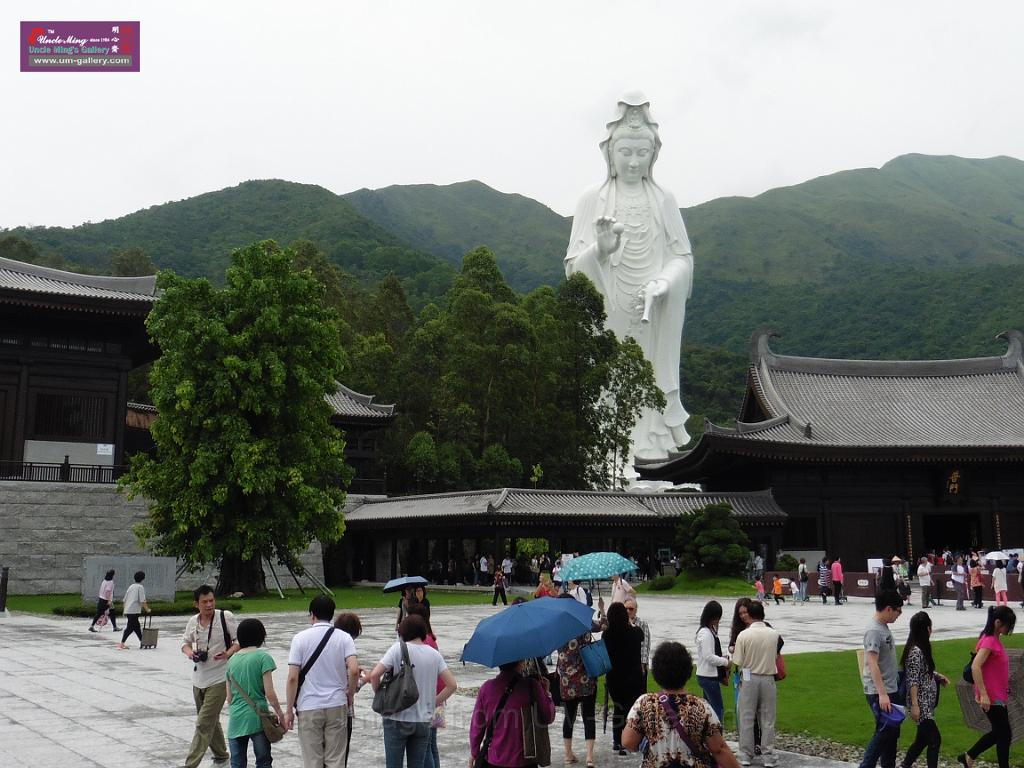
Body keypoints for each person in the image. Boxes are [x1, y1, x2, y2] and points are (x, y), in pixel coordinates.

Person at [564, 93, 694, 462]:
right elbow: (574, 267)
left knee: (648, 379)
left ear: (654, 154)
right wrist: (600, 251)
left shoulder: (663, 199)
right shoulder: (593, 198)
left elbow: (681, 256)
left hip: (653, 310)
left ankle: (651, 450)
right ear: (610, 153)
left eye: (643, 153)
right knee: (608, 380)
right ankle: (607, 453)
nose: (634, 161)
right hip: (609, 309)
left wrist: (666, 282)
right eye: (626, 152)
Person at [622, 641, 741, 768]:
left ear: (656, 672)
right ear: (688, 672)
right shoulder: (701, 706)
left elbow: (628, 742)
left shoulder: (644, 703)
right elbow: (719, 749)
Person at [368, 615, 457, 768]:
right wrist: (432, 701)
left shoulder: (397, 649)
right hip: (423, 720)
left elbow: (375, 674)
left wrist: (380, 693)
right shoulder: (434, 654)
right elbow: (452, 685)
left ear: (403, 632)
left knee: (394, 764)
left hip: (397, 717)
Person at [284, 594, 358, 768]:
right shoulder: (344, 638)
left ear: (312, 614)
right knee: (335, 760)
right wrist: (350, 694)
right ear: (332, 614)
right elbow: (354, 670)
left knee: (313, 761)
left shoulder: (299, 639)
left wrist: (288, 710)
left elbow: (293, 677)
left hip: (309, 705)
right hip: (336, 703)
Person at [179, 585, 239, 768]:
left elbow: (238, 641)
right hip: (199, 678)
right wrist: (190, 653)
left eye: (211, 600)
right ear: (196, 604)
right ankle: (221, 755)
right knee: (210, 720)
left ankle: (190, 764)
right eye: (204, 602)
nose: (209, 605)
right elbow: (184, 643)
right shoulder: (193, 621)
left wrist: (228, 653)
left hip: (220, 678)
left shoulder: (225, 617)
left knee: (203, 723)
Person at [469, 658, 556, 768]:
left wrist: (475, 753)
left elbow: (477, 727)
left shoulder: (486, 688)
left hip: (494, 758)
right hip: (524, 759)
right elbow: (548, 716)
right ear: (520, 663)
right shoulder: (531, 686)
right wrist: (547, 693)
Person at [959, 606, 1017, 768]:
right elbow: (975, 666)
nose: (1009, 629)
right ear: (998, 622)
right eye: (1008, 625)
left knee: (1001, 733)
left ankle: (969, 756)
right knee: (1004, 734)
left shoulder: (992, 639)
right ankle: (969, 756)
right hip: (991, 697)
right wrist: (983, 694)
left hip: (998, 694)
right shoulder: (989, 641)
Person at [225, 618, 284, 768]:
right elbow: (270, 693)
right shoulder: (263, 657)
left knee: (237, 763)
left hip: (236, 720)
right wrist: (280, 713)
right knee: (263, 761)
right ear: (261, 636)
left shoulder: (231, 661)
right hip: (258, 719)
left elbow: (229, 698)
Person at [858, 589, 905, 768]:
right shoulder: (874, 631)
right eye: (898, 611)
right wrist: (882, 694)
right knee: (884, 733)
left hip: (890, 687)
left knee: (892, 735)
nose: (898, 615)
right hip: (881, 691)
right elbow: (872, 662)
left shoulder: (883, 628)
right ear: (888, 609)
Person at [730, 601, 780, 767]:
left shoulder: (744, 635)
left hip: (749, 676)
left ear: (749, 615)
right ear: (763, 615)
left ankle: (745, 754)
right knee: (767, 718)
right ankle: (768, 755)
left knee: (746, 716)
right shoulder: (774, 633)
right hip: (768, 676)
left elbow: (738, 660)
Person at [557, 593, 600, 767]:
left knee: (569, 717)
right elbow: (602, 626)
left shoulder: (556, 627)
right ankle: (589, 756)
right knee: (589, 716)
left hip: (567, 681)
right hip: (586, 678)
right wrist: (602, 611)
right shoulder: (582, 623)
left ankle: (568, 754)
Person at [900, 612, 948, 768]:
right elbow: (912, 680)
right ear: (927, 629)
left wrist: (938, 677)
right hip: (921, 705)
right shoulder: (915, 652)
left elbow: (923, 671)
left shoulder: (921, 649)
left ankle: (905, 765)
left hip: (927, 703)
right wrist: (915, 706)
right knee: (935, 739)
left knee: (921, 741)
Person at [602, 602, 647, 756]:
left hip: (615, 676)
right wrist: (630, 622)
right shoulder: (635, 633)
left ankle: (617, 740)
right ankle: (632, 739)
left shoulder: (606, 635)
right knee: (632, 710)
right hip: (633, 676)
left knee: (618, 708)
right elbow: (640, 634)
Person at [406, 604, 444, 768]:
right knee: (431, 745)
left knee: (426, 748)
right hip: (438, 697)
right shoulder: (431, 638)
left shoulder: (424, 641)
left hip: (430, 698)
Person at [333, 612, 363, 768]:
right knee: (340, 755)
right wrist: (364, 678)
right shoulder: (347, 645)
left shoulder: (329, 644)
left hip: (319, 707)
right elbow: (352, 676)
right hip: (343, 709)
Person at [695, 600, 730, 724]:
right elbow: (708, 656)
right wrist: (725, 662)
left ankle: (708, 736)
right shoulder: (706, 633)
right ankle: (717, 734)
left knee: (708, 708)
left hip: (705, 675)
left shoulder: (708, 631)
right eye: (717, 617)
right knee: (717, 708)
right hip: (708, 676)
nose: (718, 621)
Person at [117, 570, 150, 649]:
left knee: (136, 627)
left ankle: (142, 642)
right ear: (142, 579)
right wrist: (147, 609)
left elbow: (125, 600)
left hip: (129, 610)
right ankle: (121, 644)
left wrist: (124, 610)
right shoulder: (140, 587)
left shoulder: (131, 586)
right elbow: (142, 601)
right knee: (130, 628)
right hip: (134, 611)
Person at [624, 597, 652, 680]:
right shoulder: (619, 625)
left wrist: (643, 664)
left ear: (636, 610)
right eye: (625, 609)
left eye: (631, 609)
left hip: (638, 664)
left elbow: (645, 645)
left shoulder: (642, 624)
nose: (628, 611)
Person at [89, 568, 119, 633]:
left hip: (101, 599)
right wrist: (109, 601)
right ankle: (115, 627)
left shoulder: (104, 581)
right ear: (112, 575)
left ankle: (92, 626)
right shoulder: (110, 582)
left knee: (99, 613)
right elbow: (108, 591)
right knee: (112, 613)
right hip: (106, 601)